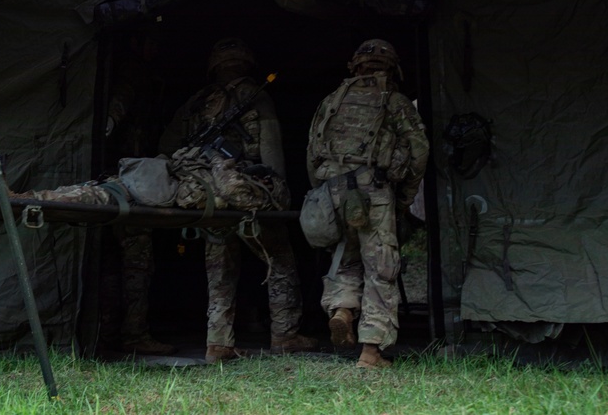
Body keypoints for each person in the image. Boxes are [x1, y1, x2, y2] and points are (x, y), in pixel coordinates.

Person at [158, 37, 316, 363]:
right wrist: (278, 194)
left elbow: (167, 148)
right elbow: (271, 147)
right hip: (247, 189)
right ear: (246, 62)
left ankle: (218, 342)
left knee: (219, 268)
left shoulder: (195, 103)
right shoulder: (256, 97)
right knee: (279, 258)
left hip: (209, 195)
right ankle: (285, 335)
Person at [306, 38, 429, 368]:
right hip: (373, 189)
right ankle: (371, 352)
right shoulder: (395, 101)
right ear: (393, 68)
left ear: (355, 65)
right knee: (380, 267)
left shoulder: (331, 101)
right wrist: (405, 196)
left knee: (345, 257)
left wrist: (323, 194)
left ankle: (343, 309)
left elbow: (312, 152)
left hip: (333, 189)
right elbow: (419, 151)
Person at [103, 33, 175, 355]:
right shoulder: (134, 74)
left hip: (127, 177)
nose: (155, 47)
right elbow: (119, 105)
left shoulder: (146, 78)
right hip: (131, 181)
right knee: (136, 257)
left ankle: (112, 332)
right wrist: (109, 124)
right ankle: (133, 333)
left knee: (117, 259)